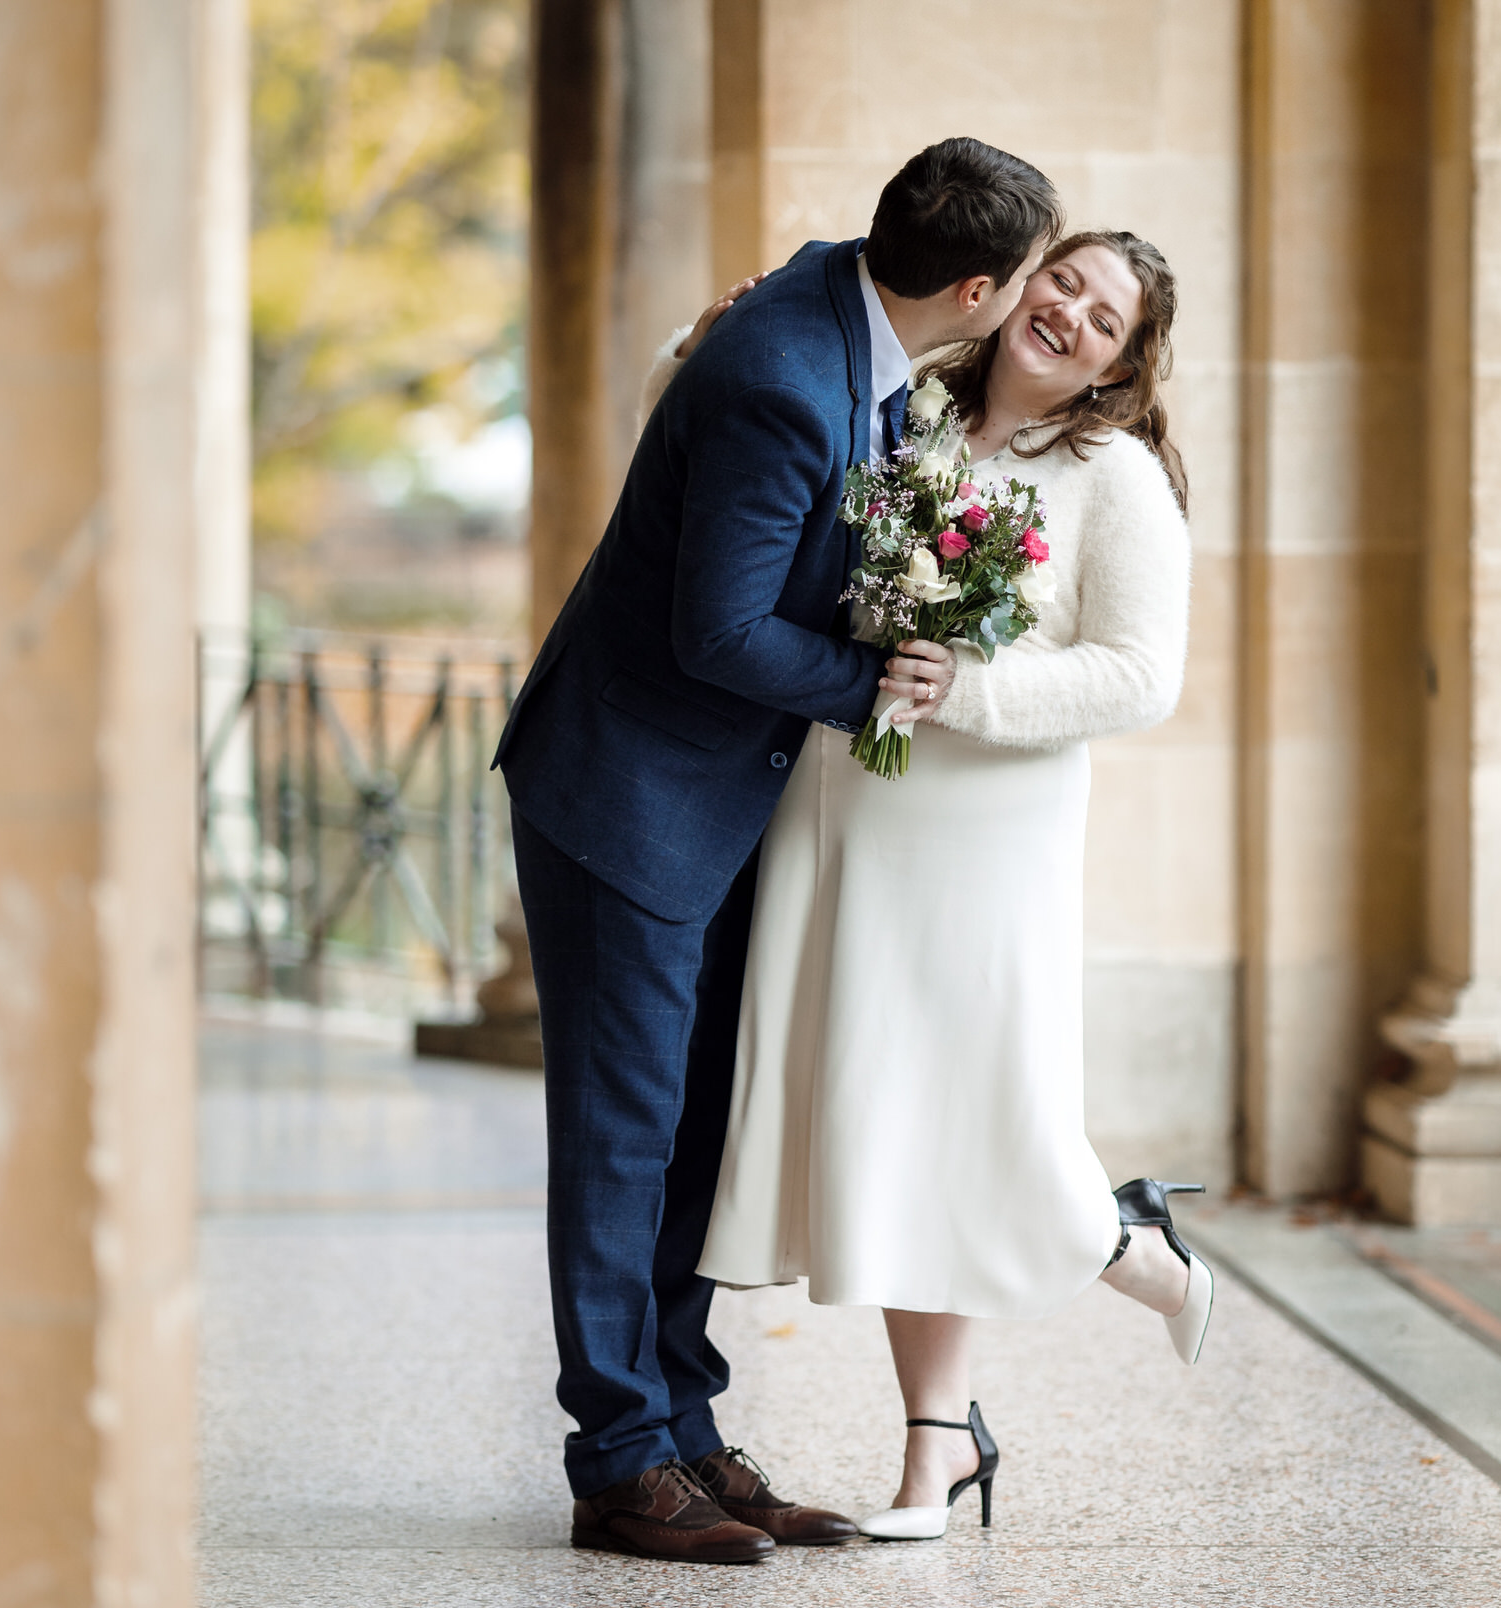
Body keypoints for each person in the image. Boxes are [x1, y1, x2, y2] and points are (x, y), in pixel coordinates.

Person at [490, 137, 1063, 1566]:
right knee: (626, 1140)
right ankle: (619, 1460)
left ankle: (683, 1429)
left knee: (693, 1126)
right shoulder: (780, 377)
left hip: (713, 798)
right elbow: (721, 631)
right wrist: (881, 682)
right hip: (626, 794)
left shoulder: (841, 317)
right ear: (979, 289)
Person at [656, 228, 1209, 1543]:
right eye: (1061, 281)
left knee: (972, 1109)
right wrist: (695, 354)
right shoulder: (900, 411)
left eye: (1104, 316)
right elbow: (745, 501)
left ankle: (1123, 1243)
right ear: (1016, 287)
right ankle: (938, 1449)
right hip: (845, 807)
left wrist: (977, 690)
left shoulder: (1113, 476)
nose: (1068, 312)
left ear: (1120, 368)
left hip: (989, 831)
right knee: (899, 1130)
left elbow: (1141, 674)